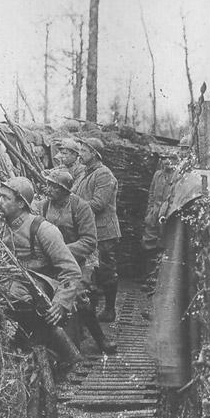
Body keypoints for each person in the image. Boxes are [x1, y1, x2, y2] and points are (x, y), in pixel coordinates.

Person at [0, 176, 83, 373]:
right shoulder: (0, 227)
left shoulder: (43, 229)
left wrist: (61, 303)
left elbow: (70, 270)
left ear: (20, 203)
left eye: (5, 198)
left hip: (41, 287)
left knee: (14, 295)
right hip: (15, 282)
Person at [36, 169, 117, 353]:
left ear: (65, 190)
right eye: (48, 184)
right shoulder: (42, 206)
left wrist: (60, 251)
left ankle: (100, 339)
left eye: (54, 187)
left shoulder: (80, 207)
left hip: (81, 260)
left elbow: (89, 242)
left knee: (79, 295)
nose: (48, 189)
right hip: (52, 261)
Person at [73, 137, 121, 323]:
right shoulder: (85, 173)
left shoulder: (103, 174)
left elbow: (99, 204)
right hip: (90, 228)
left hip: (104, 231)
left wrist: (74, 208)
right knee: (91, 270)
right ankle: (92, 310)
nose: (80, 154)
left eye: (84, 151)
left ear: (94, 154)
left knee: (106, 270)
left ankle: (110, 310)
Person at [141, 151, 180, 294]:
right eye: (164, 159)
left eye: (170, 158)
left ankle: (156, 282)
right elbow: (151, 194)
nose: (166, 161)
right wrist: (149, 211)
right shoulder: (158, 175)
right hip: (154, 213)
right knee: (148, 244)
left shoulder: (178, 176)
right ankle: (147, 277)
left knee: (163, 246)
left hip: (167, 214)